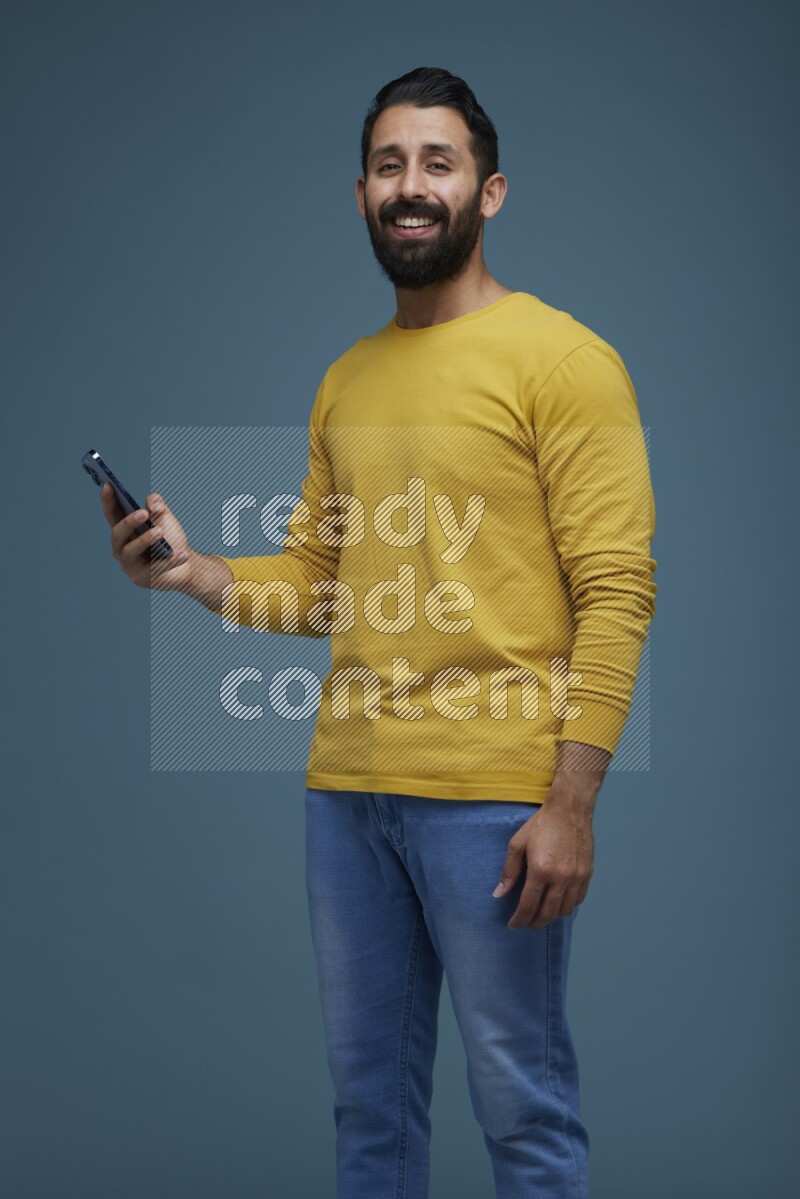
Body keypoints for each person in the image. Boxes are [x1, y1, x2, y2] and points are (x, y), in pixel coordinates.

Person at [101, 66, 656, 1199]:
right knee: (370, 1113)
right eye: (389, 164)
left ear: (488, 192)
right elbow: (321, 586)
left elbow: (616, 590)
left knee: (521, 1105)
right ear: (360, 194)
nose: (411, 185)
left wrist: (570, 804)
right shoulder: (347, 379)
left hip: (496, 803)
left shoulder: (565, 361)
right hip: (348, 798)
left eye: (437, 163)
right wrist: (195, 572)